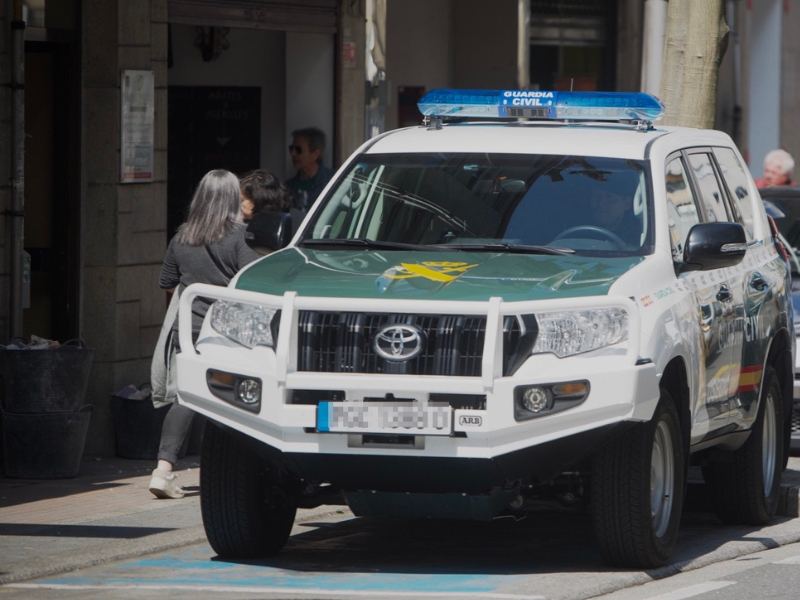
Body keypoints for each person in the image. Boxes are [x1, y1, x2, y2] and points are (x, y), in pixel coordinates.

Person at [149, 169, 261, 500]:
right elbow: (255, 278)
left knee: (186, 396)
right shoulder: (239, 238)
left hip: (186, 330)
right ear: (230, 200)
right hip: (225, 331)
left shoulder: (182, 237)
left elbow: (166, 282)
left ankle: (163, 470)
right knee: (238, 395)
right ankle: (241, 470)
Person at [285, 127, 335, 211]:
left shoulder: (332, 182)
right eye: (291, 149)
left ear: (315, 154)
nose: (293, 154)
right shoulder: (288, 187)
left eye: (298, 150)